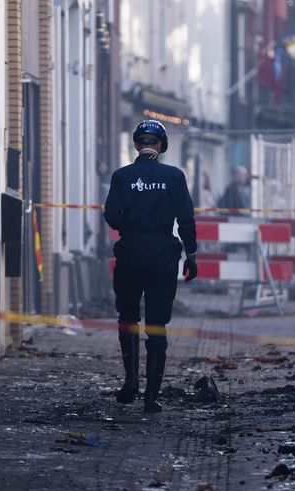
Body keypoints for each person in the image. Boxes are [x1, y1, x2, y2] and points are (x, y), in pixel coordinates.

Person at [104, 119, 198, 413]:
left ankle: (131, 380)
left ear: (136, 144)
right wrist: (191, 254)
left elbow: (111, 215)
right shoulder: (174, 176)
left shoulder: (122, 176)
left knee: (127, 318)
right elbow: (186, 219)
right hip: (162, 257)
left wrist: (129, 225)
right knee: (157, 325)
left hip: (130, 254)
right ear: (162, 145)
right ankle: (151, 396)